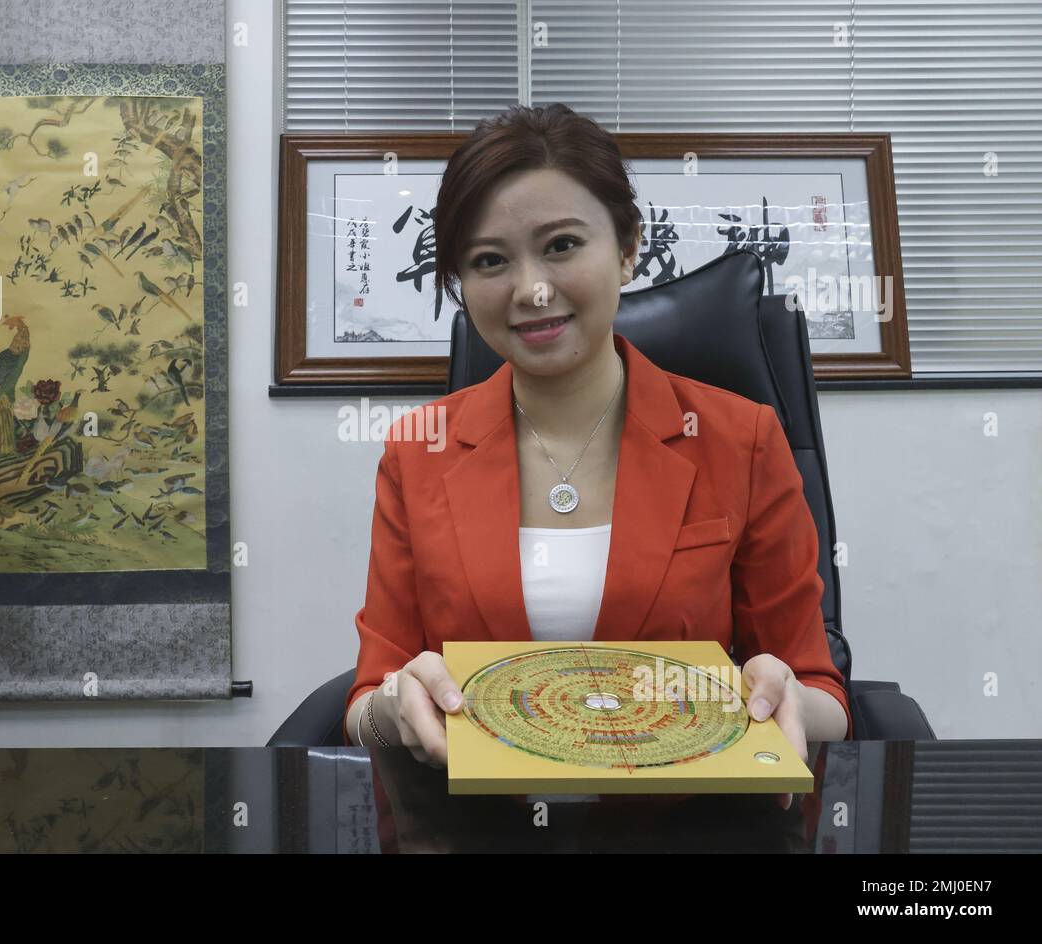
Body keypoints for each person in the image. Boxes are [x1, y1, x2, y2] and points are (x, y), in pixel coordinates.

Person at [343, 104, 851, 807]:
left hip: (683, 828)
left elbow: (821, 691)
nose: (532, 290)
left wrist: (785, 695)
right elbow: (369, 694)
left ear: (628, 246)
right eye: (490, 261)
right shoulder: (418, 451)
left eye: (561, 246)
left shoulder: (743, 440)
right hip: (478, 829)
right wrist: (393, 707)